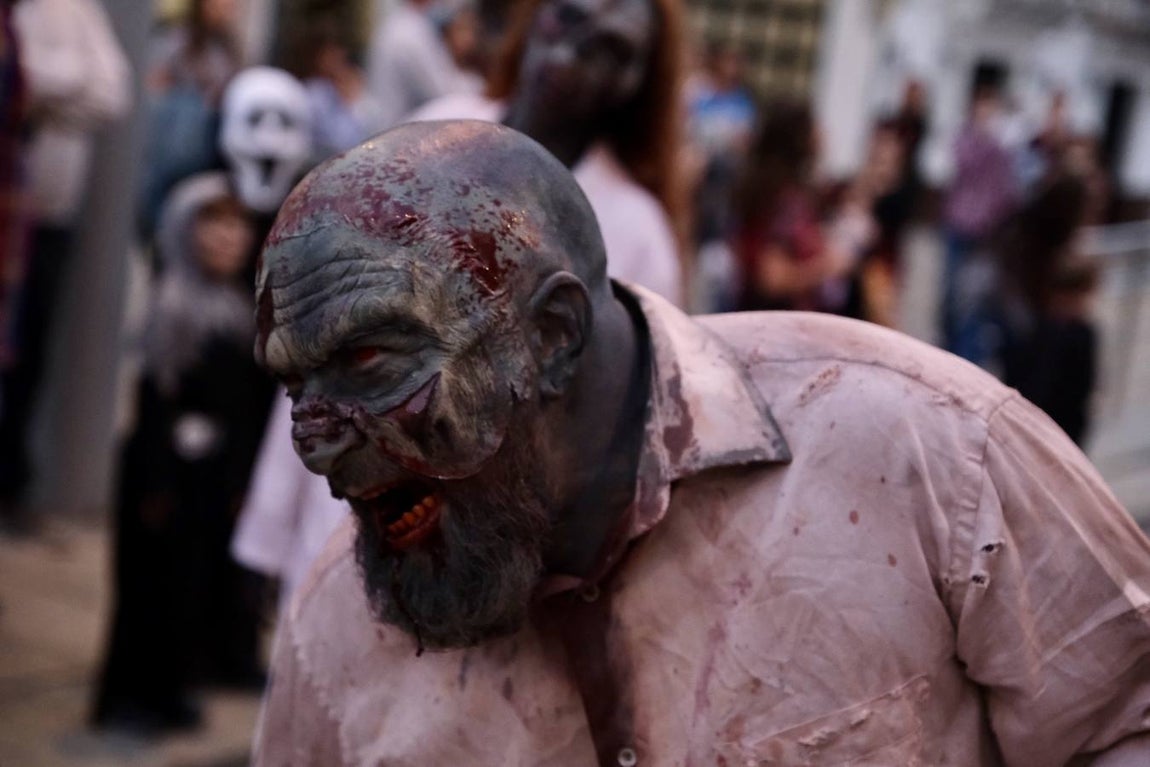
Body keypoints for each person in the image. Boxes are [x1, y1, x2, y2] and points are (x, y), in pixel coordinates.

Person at [253, 121, 1150, 765]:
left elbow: (1125, 717)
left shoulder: (927, 448)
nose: (316, 444)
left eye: (369, 359)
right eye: (296, 381)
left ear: (553, 335)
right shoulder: (334, 637)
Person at [93, 176, 273, 735]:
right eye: (214, 225)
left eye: (237, 226)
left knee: (191, 585)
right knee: (149, 584)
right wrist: (156, 483)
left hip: (210, 473)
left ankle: (172, 689)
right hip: (163, 472)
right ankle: (130, 697)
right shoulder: (170, 304)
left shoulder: (236, 306)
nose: (228, 238)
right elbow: (151, 402)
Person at [409, 0, 686, 305]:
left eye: (610, 48)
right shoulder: (434, 130)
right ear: (533, 16)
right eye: (567, 17)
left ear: (634, 82)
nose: (569, 53)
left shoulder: (638, 231)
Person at [1, 0, 130, 525]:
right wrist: (54, 88)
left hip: (41, 216)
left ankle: (10, 483)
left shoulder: (70, 9)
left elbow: (109, 91)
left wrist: (34, 86)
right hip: (15, 212)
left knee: (28, 355)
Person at [732, 100, 856, 313]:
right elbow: (772, 278)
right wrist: (827, 265)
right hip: (775, 327)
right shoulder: (785, 201)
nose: (823, 134)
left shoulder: (772, 191)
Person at [940, 83, 1018, 366]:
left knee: (973, 302)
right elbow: (963, 162)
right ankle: (949, 351)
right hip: (959, 226)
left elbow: (1005, 192)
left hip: (983, 235)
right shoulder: (967, 139)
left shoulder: (1002, 148)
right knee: (951, 297)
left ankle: (965, 358)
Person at [367, 0, 476, 130]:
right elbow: (445, 93)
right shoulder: (409, 34)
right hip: (397, 137)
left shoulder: (406, 26)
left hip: (394, 131)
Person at [294, 16, 385, 163]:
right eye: (331, 52)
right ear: (317, 55)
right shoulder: (313, 94)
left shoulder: (343, 86)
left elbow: (375, 126)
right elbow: (340, 142)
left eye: (339, 51)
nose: (338, 57)